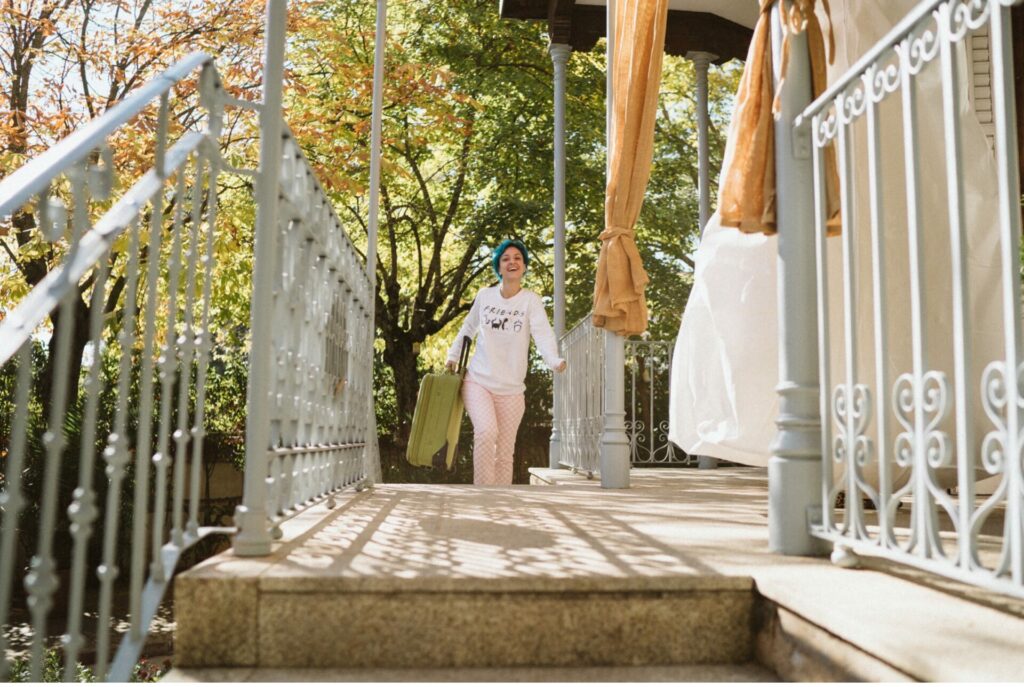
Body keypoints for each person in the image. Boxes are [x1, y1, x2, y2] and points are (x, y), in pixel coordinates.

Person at [445, 239, 566, 486]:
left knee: (505, 451)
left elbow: (542, 332)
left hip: (512, 390)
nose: (512, 262)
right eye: (506, 258)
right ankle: (484, 496)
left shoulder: (530, 300)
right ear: (498, 267)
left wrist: (553, 360)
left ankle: (502, 500)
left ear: (524, 267)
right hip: (479, 381)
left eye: (517, 258)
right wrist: (453, 356)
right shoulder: (485, 296)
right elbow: (469, 327)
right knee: (486, 433)